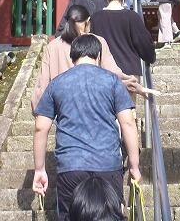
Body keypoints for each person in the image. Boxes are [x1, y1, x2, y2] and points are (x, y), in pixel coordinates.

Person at [32, 34, 141, 221]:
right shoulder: (113, 81)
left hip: (71, 166)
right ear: (98, 56)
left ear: (72, 57)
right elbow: (128, 123)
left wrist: (39, 169)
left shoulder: (57, 84)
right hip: (108, 164)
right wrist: (134, 165)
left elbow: (40, 128)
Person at [31, 5, 153, 110]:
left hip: (64, 107)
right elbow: (113, 73)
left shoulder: (52, 46)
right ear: (88, 21)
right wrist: (133, 85)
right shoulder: (97, 42)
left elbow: (43, 82)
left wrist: (37, 108)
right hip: (93, 103)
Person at [90, 0, 156, 77]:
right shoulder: (132, 17)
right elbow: (144, 42)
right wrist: (150, 57)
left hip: (103, 71)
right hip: (129, 70)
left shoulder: (95, 18)